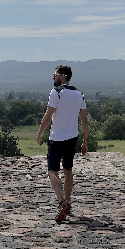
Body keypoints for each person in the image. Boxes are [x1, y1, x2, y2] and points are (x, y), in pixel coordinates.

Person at [36, 65, 88, 223]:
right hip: (72, 137)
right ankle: (68, 201)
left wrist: (40, 133)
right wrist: (85, 141)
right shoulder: (79, 94)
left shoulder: (56, 92)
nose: (53, 78)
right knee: (68, 170)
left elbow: (48, 115)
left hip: (57, 137)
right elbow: (84, 120)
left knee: (52, 171)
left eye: (55, 75)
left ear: (63, 76)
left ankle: (61, 202)